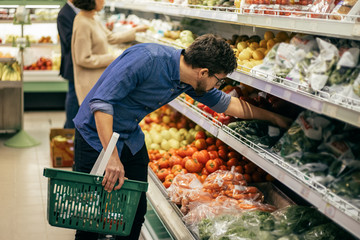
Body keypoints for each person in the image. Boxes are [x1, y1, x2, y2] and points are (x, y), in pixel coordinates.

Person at [73, 34, 292, 240]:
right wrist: (111, 157)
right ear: (203, 72)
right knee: (90, 216)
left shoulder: (188, 79)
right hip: (96, 135)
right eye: (219, 81)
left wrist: (275, 118)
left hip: (129, 137)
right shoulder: (146, 59)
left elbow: (228, 104)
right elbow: (101, 104)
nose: (218, 87)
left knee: (134, 215)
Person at [71, 0, 148, 105]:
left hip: (100, 81)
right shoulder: (82, 22)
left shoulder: (93, 18)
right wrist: (113, 57)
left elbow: (110, 37)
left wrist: (135, 31)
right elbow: (83, 58)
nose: (104, 1)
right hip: (90, 85)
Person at [57, 0, 80, 128]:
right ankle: (69, 129)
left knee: (75, 97)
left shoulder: (75, 11)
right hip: (72, 63)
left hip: (76, 62)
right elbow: (68, 40)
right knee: (73, 96)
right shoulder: (64, 13)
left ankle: (70, 127)